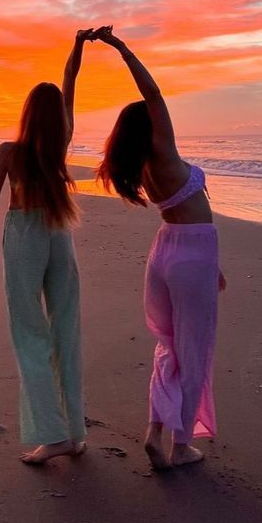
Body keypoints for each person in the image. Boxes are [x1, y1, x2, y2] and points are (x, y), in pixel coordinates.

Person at [93, 26, 226, 470]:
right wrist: (121, 48)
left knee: (169, 346)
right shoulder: (163, 152)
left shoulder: (143, 165)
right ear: (150, 123)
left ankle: (154, 430)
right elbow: (153, 93)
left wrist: (214, 268)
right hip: (190, 253)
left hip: (168, 252)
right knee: (194, 350)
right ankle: (181, 444)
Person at [0, 29, 98, 464]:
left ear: (27, 113)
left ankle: (52, 433)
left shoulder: (10, 150)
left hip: (24, 234)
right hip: (58, 231)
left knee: (29, 331)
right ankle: (75, 432)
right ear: (56, 117)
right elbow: (70, 82)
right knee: (66, 327)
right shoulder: (60, 141)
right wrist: (79, 44)